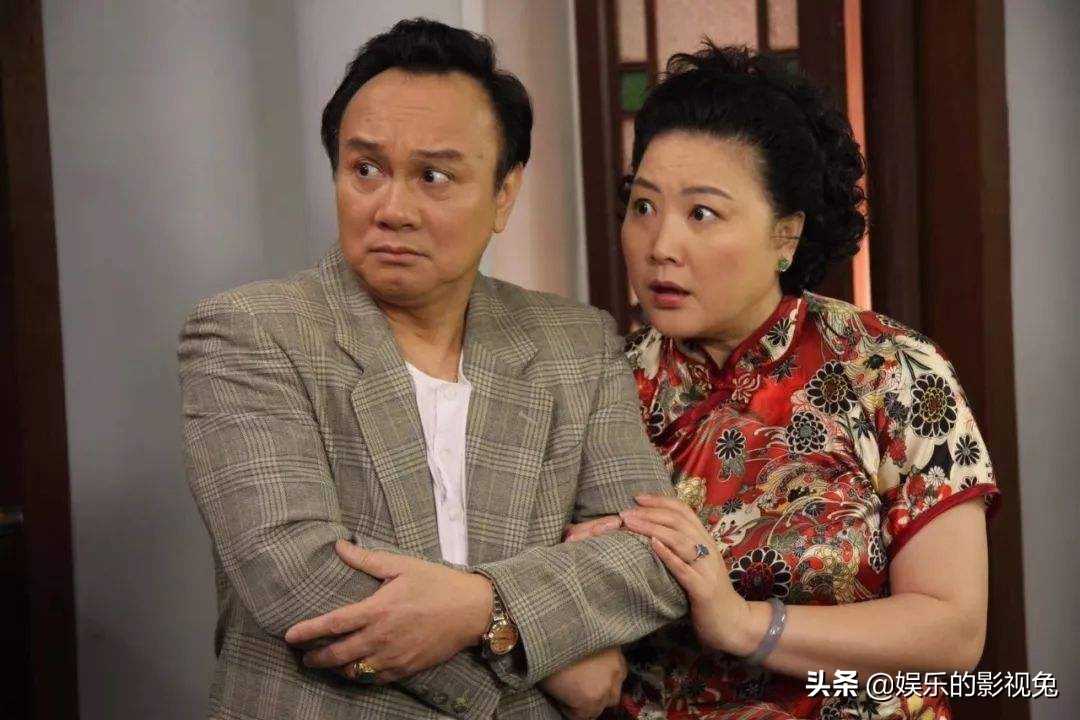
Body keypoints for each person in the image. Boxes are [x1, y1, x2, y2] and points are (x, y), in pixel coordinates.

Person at [179, 19, 686, 720]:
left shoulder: (575, 343)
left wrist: (484, 608)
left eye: (434, 176)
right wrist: (529, 652)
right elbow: (300, 581)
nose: (392, 209)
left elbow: (651, 558)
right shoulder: (251, 332)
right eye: (365, 170)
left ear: (504, 194)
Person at [568, 44, 1000, 719]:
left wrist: (745, 624)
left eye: (701, 214)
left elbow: (953, 631)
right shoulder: (600, 387)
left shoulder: (889, 368)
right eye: (643, 206)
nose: (660, 246)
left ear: (786, 235)